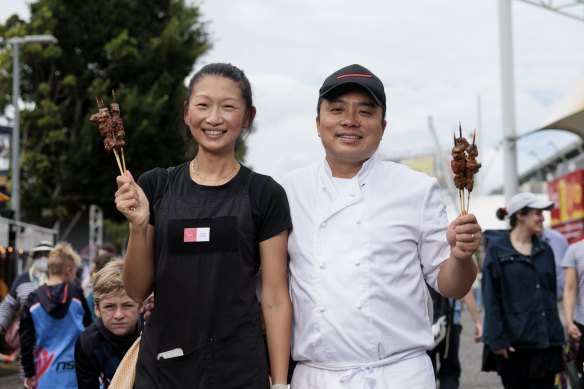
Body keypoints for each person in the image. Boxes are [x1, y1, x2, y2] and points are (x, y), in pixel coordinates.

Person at [279, 64, 481, 388]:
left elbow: (452, 287)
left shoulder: (416, 188)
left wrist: (460, 256)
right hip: (315, 376)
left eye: (365, 112)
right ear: (318, 124)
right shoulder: (287, 191)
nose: (350, 120)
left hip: (399, 374)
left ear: (383, 126)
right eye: (337, 110)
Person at [114, 62, 292, 388]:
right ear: (186, 113)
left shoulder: (266, 194)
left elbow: (275, 297)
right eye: (203, 105)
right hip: (164, 367)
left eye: (228, 107)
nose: (214, 118)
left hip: (239, 368)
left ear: (248, 117)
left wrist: (280, 383)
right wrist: (138, 226)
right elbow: (138, 291)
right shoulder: (155, 187)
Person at [481, 192, 565, 388]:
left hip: (547, 343)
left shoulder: (546, 250)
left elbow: (550, 295)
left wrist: (558, 337)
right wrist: (497, 339)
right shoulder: (496, 250)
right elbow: (491, 297)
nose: (543, 218)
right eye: (538, 213)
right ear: (520, 215)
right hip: (513, 347)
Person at [19, 242, 92, 389]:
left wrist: (28, 373)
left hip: (45, 372)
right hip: (77, 372)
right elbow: (89, 330)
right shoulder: (77, 294)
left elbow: (26, 341)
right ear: (68, 270)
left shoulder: (33, 299)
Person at [75, 258, 143, 388]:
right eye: (109, 307)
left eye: (127, 305)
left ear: (140, 306)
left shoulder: (152, 335)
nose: (118, 315)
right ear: (97, 309)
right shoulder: (87, 342)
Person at [427, 290, 482, 389]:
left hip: (425, 324)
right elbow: (466, 290)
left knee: (426, 370)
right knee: (449, 371)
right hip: (450, 322)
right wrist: (477, 321)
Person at [0, 240, 54, 335]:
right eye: (39, 255)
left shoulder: (59, 279)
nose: (43, 258)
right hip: (27, 334)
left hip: (53, 334)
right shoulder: (23, 278)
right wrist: (1, 323)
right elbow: (9, 304)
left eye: (46, 255)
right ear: (34, 257)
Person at [562, 238, 584, 387]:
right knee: (582, 372)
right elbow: (570, 289)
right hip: (582, 326)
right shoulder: (575, 250)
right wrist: (569, 322)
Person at [541, 227, 569, 301]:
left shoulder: (558, 239)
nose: (542, 219)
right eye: (537, 214)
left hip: (565, 300)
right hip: (544, 305)